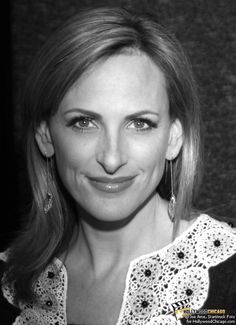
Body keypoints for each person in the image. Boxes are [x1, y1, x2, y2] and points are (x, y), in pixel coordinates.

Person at [1, 6, 236, 325]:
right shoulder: (11, 279)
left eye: (139, 123)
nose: (112, 159)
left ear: (173, 138)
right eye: (84, 122)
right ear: (46, 136)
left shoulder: (229, 282)